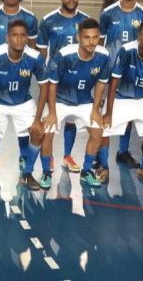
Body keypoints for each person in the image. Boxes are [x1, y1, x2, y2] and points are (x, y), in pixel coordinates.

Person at [39, 18, 109, 189]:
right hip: (60, 100)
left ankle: (86, 172)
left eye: (95, 37)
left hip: (84, 101)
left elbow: (101, 83)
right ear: (79, 38)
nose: (91, 41)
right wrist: (53, 112)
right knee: (47, 132)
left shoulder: (104, 55)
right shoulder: (64, 55)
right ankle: (46, 173)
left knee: (98, 132)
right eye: (87, 37)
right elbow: (52, 84)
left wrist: (95, 109)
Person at [0, 19, 48, 189]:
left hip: (23, 102)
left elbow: (44, 87)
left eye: (23, 36)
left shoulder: (35, 57)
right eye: (15, 35)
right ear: (7, 38)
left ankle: (27, 173)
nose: (19, 39)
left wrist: (38, 118)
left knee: (38, 132)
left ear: (27, 38)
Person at [102, 19, 143, 184]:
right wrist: (108, 113)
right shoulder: (126, 50)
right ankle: (104, 167)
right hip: (122, 96)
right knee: (103, 128)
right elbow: (114, 81)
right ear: (139, 36)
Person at [98, 0, 143, 169]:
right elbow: (101, 44)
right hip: (110, 70)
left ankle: (123, 151)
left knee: (127, 114)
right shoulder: (108, 13)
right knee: (105, 113)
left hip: (133, 71)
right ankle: (99, 153)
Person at [36, 0, 90, 173]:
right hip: (55, 81)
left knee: (72, 119)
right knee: (50, 120)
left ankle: (67, 156)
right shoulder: (49, 20)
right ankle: (48, 157)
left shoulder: (85, 20)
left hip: (78, 80)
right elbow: (41, 49)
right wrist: (49, 71)